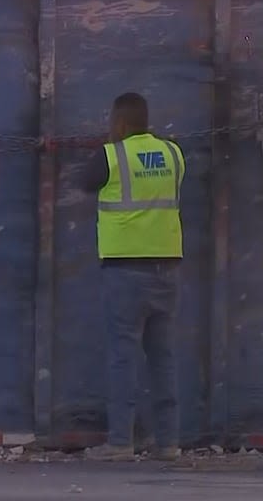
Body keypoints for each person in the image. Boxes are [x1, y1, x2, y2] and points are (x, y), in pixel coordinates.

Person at [80, 92, 185, 462]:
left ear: (120, 124)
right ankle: (169, 443)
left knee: (123, 357)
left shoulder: (111, 157)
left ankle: (121, 441)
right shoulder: (173, 155)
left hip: (125, 272)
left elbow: (85, 181)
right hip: (167, 271)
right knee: (164, 357)